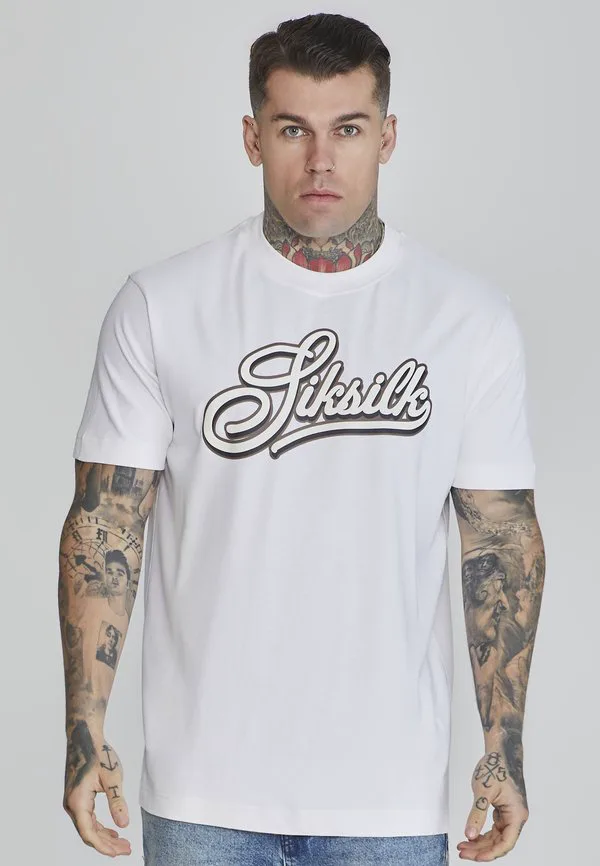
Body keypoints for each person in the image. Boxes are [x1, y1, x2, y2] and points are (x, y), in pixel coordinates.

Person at [58, 12, 546, 865]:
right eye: (293, 130)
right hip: (204, 789)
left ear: (387, 137)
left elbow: (499, 539)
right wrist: (82, 727)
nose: (321, 160)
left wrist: (504, 746)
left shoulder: (469, 319)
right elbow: (106, 525)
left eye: (347, 129)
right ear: (253, 138)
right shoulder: (162, 305)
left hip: (388, 796)